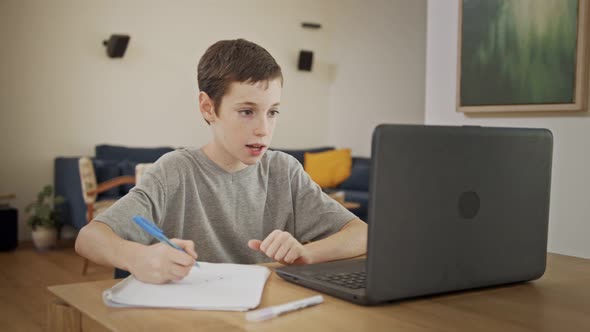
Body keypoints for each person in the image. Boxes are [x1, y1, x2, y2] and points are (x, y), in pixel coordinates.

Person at [75, 38, 367, 284]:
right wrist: (136, 256)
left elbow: (362, 234)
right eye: (246, 111)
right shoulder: (175, 171)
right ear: (208, 107)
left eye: (272, 112)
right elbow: (88, 238)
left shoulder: (284, 171)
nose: (264, 129)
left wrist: (307, 254)